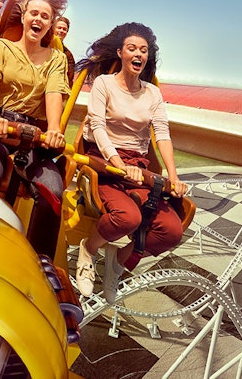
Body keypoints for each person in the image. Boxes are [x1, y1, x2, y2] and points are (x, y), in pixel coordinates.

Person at [73, 22, 188, 300]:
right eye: (132, 48)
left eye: (144, 50)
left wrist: (173, 176)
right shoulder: (104, 84)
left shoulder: (152, 93)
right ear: (121, 53)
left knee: (171, 232)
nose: (138, 54)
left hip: (138, 165)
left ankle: (118, 261)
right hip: (105, 162)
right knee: (127, 217)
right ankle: (88, 249)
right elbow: (98, 126)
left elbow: (162, 133)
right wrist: (117, 163)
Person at [0, 0, 69, 258]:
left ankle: (40, 262)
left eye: (45, 17)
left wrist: (56, 129)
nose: (38, 20)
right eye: (33, 13)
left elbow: (54, 95)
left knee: (53, 191)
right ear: (23, 17)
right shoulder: (2, 47)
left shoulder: (56, 59)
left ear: (50, 24)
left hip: (32, 132)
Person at [53, 15, 75, 87]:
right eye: (59, 28)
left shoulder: (68, 55)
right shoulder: (42, 44)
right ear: (53, 28)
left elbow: (69, 79)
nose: (61, 31)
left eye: (64, 29)